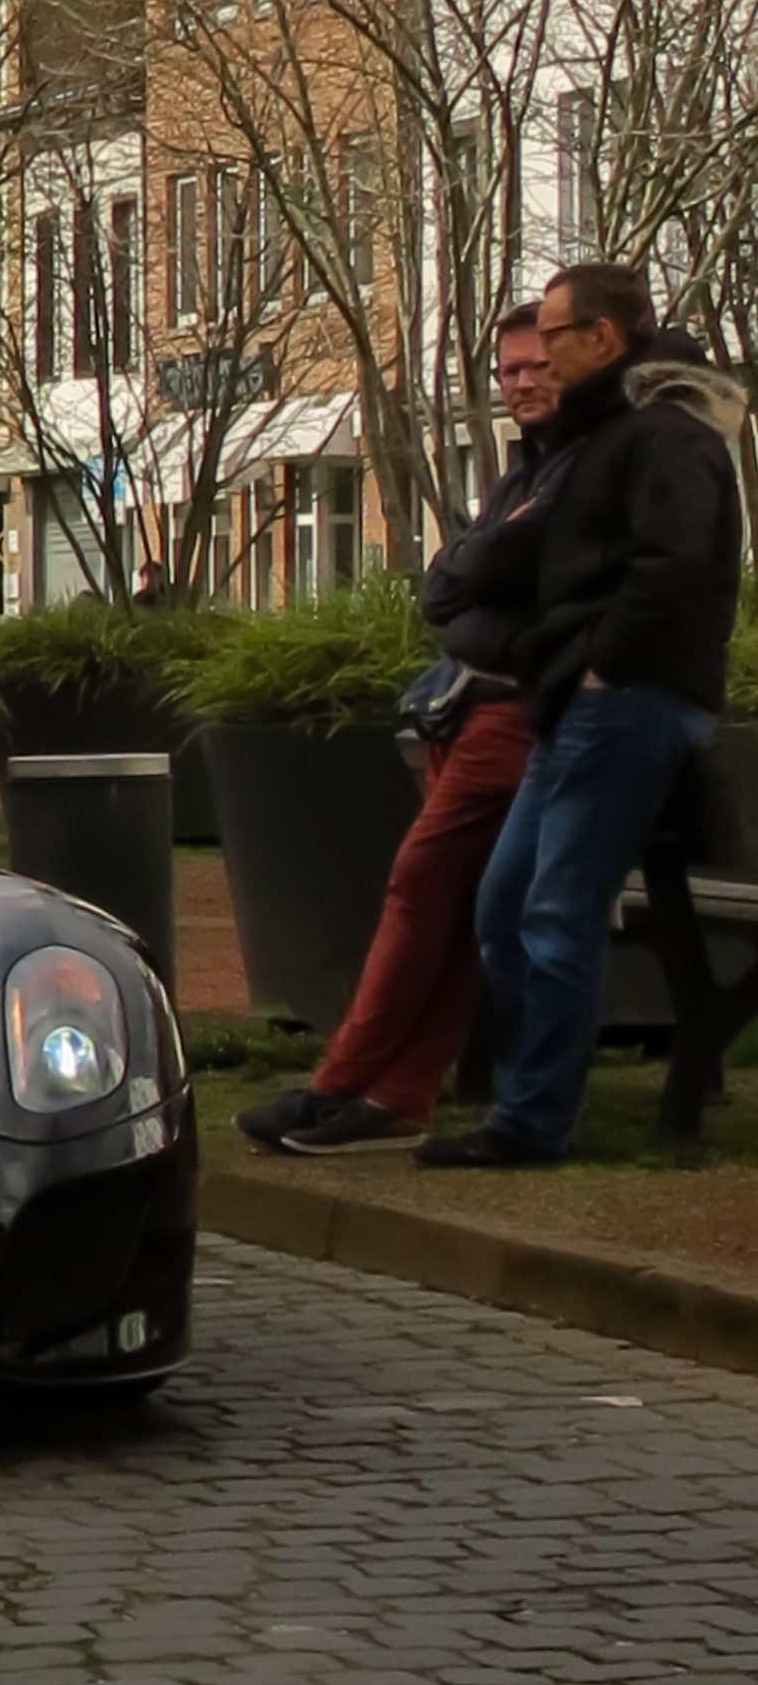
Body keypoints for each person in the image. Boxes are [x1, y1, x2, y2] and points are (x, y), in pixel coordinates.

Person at [418, 260, 745, 1171]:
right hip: (583, 702)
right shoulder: (606, 432)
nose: (539, 357)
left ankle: (532, 1123)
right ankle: (528, 1102)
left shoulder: (667, 431)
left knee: (556, 909)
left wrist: (606, 666)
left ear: (601, 338)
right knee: (508, 902)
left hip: (625, 702)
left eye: (553, 337)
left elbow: (673, 564)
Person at [240, 303, 561, 1154]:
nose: (523, 383)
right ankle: (398, 1094)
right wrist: (481, 555)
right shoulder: (518, 479)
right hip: (465, 708)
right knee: (451, 909)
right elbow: (445, 585)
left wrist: (480, 560)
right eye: (509, 371)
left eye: (539, 366)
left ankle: (340, 1079)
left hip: (516, 717)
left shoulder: (579, 474)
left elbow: (488, 573)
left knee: (420, 887)